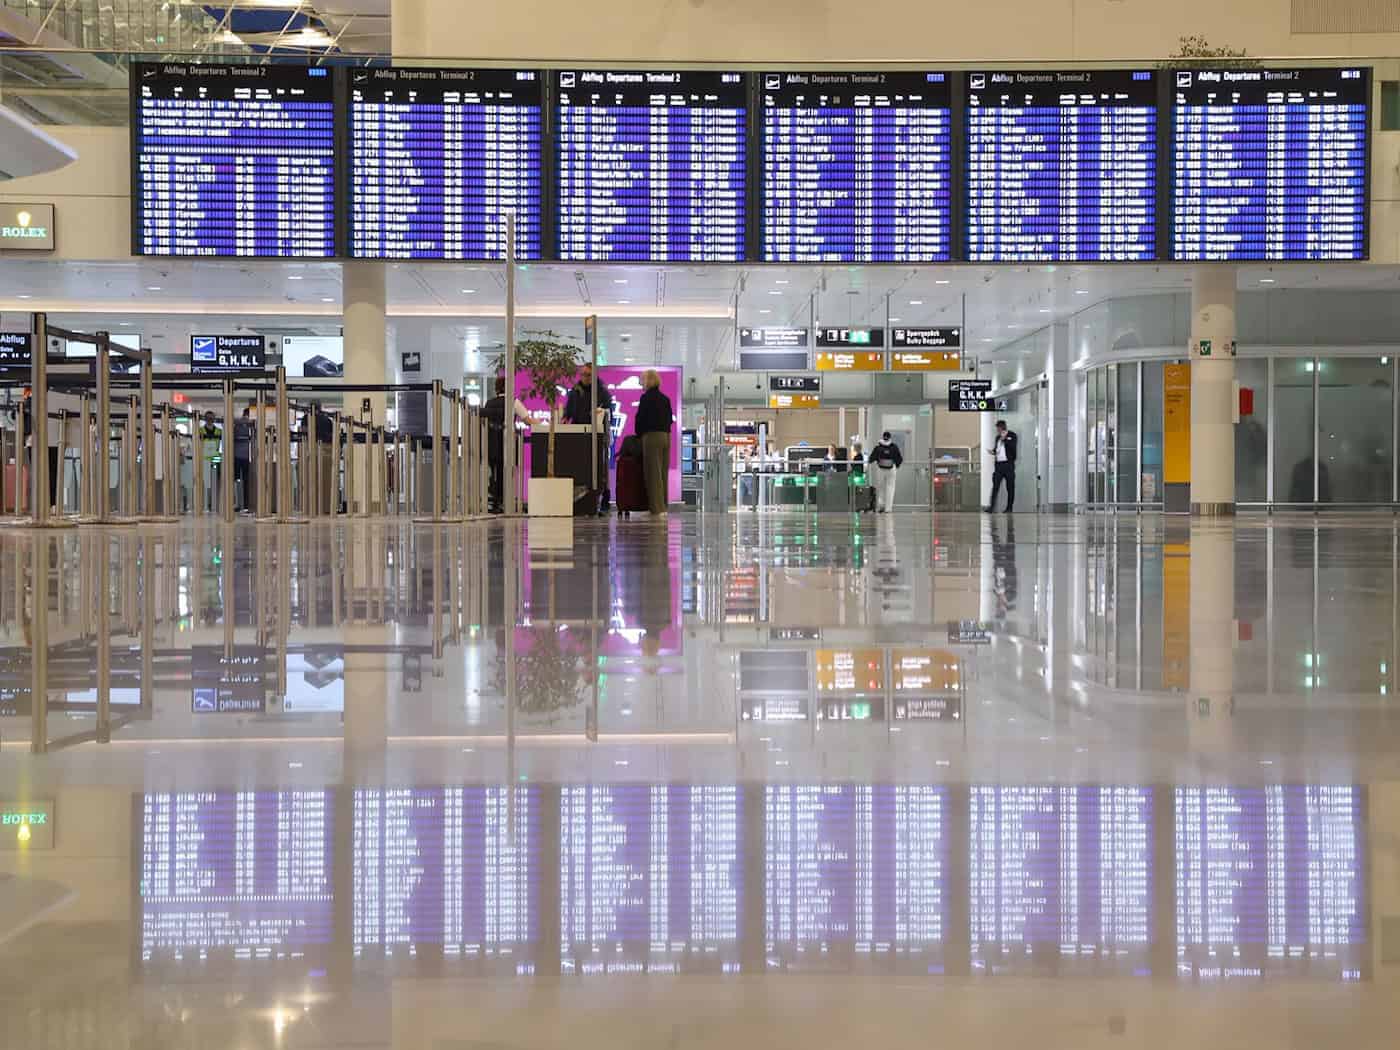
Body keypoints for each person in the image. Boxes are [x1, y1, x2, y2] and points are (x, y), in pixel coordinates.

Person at [562, 362, 615, 513]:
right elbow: (569, 410)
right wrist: (565, 417)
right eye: (583, 374)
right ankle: (583, 500)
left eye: (588, 375)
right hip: (579, 434)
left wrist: (602, 412)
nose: (585, 378)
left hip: (598, 434)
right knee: (581, 467)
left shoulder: (601, 391)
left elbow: (609, 409)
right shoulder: (575, 391)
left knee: (600, 467)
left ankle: (603, 499)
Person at [482, 376, 532, 513]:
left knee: (494, 471)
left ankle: (495, 500)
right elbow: (527, 420)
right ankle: (504, 500)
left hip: (492, 442)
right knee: (506, 472)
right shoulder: (514, 402)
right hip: (508, 441)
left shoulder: (489, 403)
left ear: (496, 388)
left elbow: (483, 421)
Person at [635, 369, 673, 517]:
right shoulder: (665, 399)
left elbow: (640, 419)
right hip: (665, 437)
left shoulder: (646, 398)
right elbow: (669, 420)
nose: (641, 383)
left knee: (653, 473)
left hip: (651, 437)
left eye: (642, 380)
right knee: (663, 472)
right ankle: (663, 506)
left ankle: (657, 509)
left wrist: (639, 434)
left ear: (648, 381)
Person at [986, 419, 1018, 513]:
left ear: (1003, 427)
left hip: (1008, 465)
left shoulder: (1012, 435)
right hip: (999, 466)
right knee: (995, 486)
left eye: (999, 428)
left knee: (1010, 487)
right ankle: (991, 507)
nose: (998, 430)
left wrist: (1005, 439)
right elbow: (998, 449)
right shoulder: (997, 438)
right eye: (997, 428)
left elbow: (1012, 447)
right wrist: (993, 451)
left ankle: (1009, 508)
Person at [867, 431, 903, 513]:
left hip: (880, 469)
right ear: (890, 438)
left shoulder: (878, 447)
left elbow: (871, 459)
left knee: (880, 488)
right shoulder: (894, 447)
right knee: (890, 488)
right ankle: (888, 508)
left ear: (883, 437)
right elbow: (899, 459)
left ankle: (880, 506)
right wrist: (896, 466)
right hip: (891, 470)